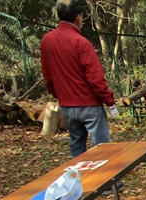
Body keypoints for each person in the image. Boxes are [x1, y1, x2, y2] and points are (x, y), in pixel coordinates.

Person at [40, 0, 118, 158]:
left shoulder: (47, 41)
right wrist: (110, 102)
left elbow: (47, 75)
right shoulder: (81, 43)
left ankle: (78, 180)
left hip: (67, 106)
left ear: (58, 14)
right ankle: (109, 182)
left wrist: (60, 95)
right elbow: (95, 79)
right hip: (89, 105)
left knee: (77, 146)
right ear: (78, 17)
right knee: (103, 148)